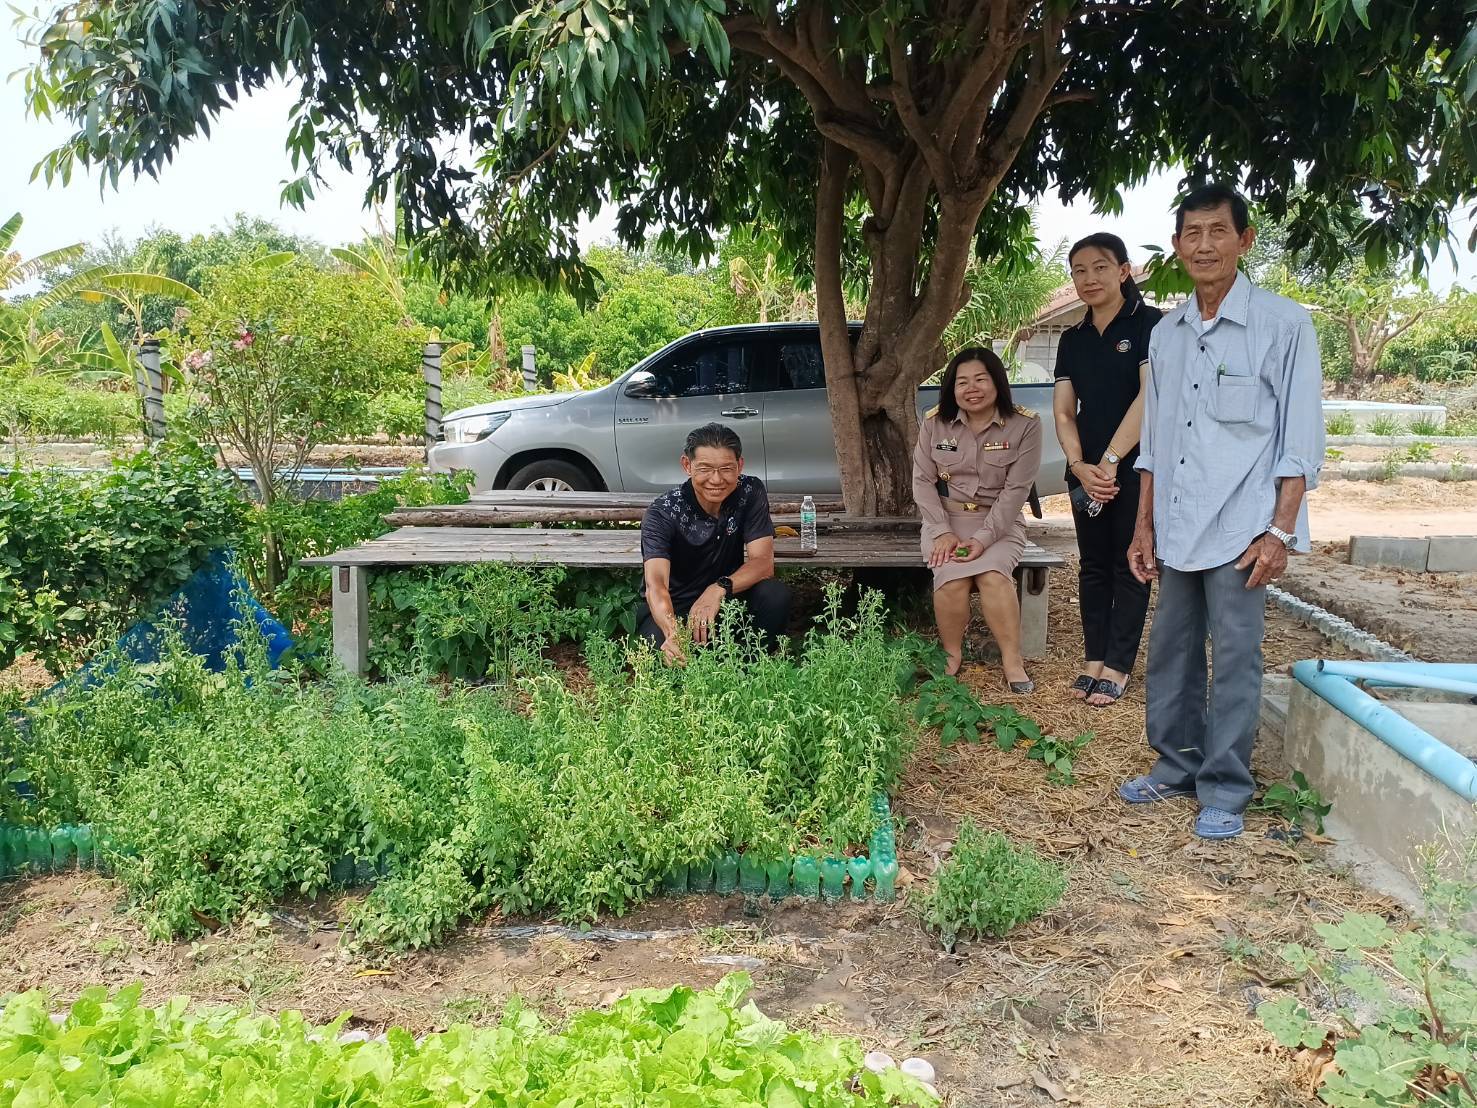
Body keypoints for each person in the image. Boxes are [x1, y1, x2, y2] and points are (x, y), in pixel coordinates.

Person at [1120, 183, 1324, 840]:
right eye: (1191, 233)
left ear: (1243, 240)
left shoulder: (1283, 324)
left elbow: (1299, 439)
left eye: (1216, 231)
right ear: (1177, 245)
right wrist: (1143, 523)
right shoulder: (1167, 333)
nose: (1203, 245)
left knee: (1235, 654)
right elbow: (1155, 441)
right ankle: (1175, 764)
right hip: (1178, 522)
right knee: (1172, 649)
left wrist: (1279, 531)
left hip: (1243, 526)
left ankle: (1226, 785)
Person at [1053, 233, 1162, 708]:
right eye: (1079, 270)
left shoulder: (1150, 326)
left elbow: (1148, 398)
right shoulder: (1072, 339)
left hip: (1135, 471)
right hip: (1087, 475)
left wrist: (1111, 462)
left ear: (1124, 270)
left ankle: (1118, 665)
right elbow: (1062, 411)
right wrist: (1079, 467)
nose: (1089, 278)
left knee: (1130, 565)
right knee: (1093, 565)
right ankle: (1093, 658)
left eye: (1100, 267)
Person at [912, 347, 1043, 692]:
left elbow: (1016, 492)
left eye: (980, 379)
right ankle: (951, 655)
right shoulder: (935, 422)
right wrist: (940, 531)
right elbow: (923, 481)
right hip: (946, 521)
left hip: (1000, 523)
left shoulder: (1024, 425)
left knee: (993, 576)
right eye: (962, 382)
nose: (971, 388)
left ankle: (1012, 661)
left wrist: (983, 539)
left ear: (997, 382)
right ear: (952, 388)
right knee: (951, 579)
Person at [637, 422, 791, 665]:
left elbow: (763, 564)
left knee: (775, 595)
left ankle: (748, 666)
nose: (716, 479)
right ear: (687, 466)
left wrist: (719, 589)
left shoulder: (750, 491)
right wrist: (672, 632)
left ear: (740, 466)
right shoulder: (662, 512)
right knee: (657, 648)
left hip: (726, 600)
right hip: (675, 607)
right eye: (705, 469)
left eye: (726, 469)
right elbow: (656, 585)